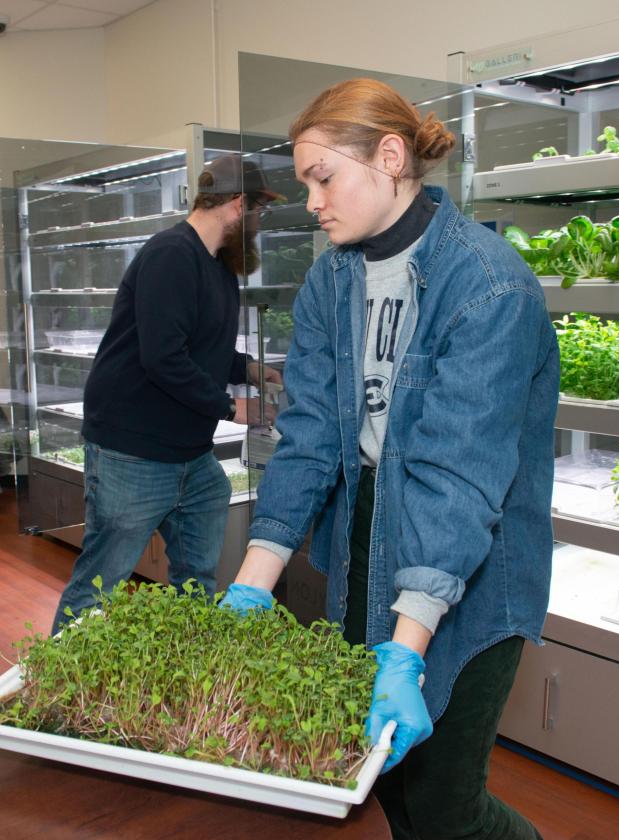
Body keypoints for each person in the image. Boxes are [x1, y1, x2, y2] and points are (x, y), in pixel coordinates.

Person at [220, 79, 558, 840]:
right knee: (383, 780)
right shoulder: (330, 279)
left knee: (444, 807)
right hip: (367, 534)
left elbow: (457, 477)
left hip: (475, 552)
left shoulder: (489, 286)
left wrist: (404, 658)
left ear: (392, 157)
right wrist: (254, 579)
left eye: (323, 177)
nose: (312, 200)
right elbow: (307, 433)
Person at [52, 155, 282, 632]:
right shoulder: (171, 254)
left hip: (190, 458)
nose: (260, 222)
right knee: (99, 586)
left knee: (196, 580)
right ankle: (50, 697)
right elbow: (164, 358)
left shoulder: (217, 265)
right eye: (259, 211)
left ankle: (186, 686)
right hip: (130, 453)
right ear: (238, 205)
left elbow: (203, 347)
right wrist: (234, 407)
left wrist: (253, 370)